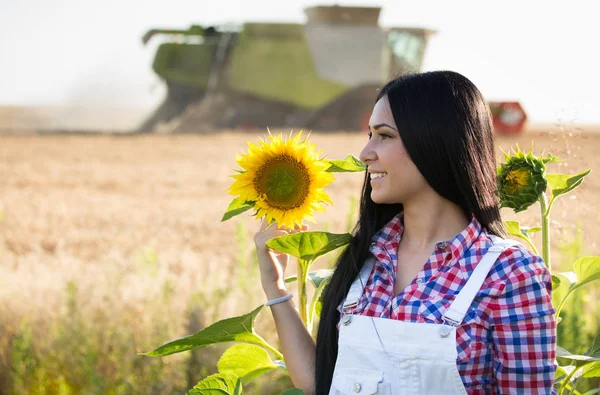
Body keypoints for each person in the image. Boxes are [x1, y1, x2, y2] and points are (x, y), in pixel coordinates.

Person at [254, 71, 557, 394]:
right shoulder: (365, 261)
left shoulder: (509, 274)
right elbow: (322, 379)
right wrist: (275, 286)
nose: (365, 153)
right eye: (369, 135)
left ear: (434, 140)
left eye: (384, 135)